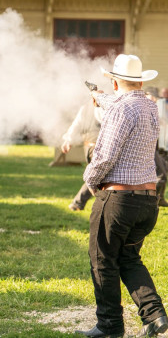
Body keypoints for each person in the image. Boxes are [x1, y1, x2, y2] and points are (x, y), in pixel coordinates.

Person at [77, 54, 168, 338]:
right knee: (129, 258)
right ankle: (154, 316)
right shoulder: (149, 107)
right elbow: (122, 103)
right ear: (140, 81)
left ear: (115, 81)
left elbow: (104, 156)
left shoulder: (119, 110)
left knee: (102, 260)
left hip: (118, 200)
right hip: (146, 201)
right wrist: (99, 97)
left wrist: (89, 181)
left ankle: (109, 326)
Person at [61, 100, 105, 211]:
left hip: (88, 148)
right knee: (98, 176)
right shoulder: (104, 107)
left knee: (97, 175)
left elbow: (76, 124)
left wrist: (68, 140)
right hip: (97, 147)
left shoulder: (85, 107)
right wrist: (68, 140)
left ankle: (79, 203)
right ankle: (78, 203)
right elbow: (77, 124)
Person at [144, 87, 168, 207]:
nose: (154, 99)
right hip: (147, 148)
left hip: (156, 147)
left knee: (163, 172)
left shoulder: (153, 108)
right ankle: (152, 202)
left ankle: (159, 199)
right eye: (152, 96)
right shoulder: (143, 108)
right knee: (161, 175)